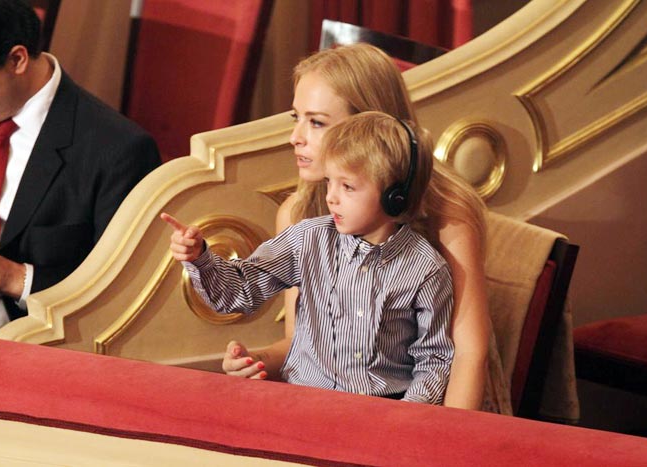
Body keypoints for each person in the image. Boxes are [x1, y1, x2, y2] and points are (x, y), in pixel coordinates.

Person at [221, 44, 492, 411]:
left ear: (367, 127)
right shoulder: (298, 213)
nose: (295, 137)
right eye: (295, 118)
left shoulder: (450, 213)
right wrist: (257, 360)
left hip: (436, 409)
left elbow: (467, 355)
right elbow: (302, 344)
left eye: (316, 122)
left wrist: (437, 444)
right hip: (333, 409)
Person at [164, 111, 454, 403]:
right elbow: (239, 291)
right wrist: (200, 257)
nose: (331, 197)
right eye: (329, 181)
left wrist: (405, 419)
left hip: (382, 409)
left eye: (348, 187)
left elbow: (434, 361)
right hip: (303, 400)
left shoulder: (427, 269)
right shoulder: (308, 239)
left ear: (396, 197)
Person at [0, 0, 161, 336]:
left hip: (15, 335)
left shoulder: (117, 150)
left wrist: (8, 276)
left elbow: (123, 294)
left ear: (17, 60)